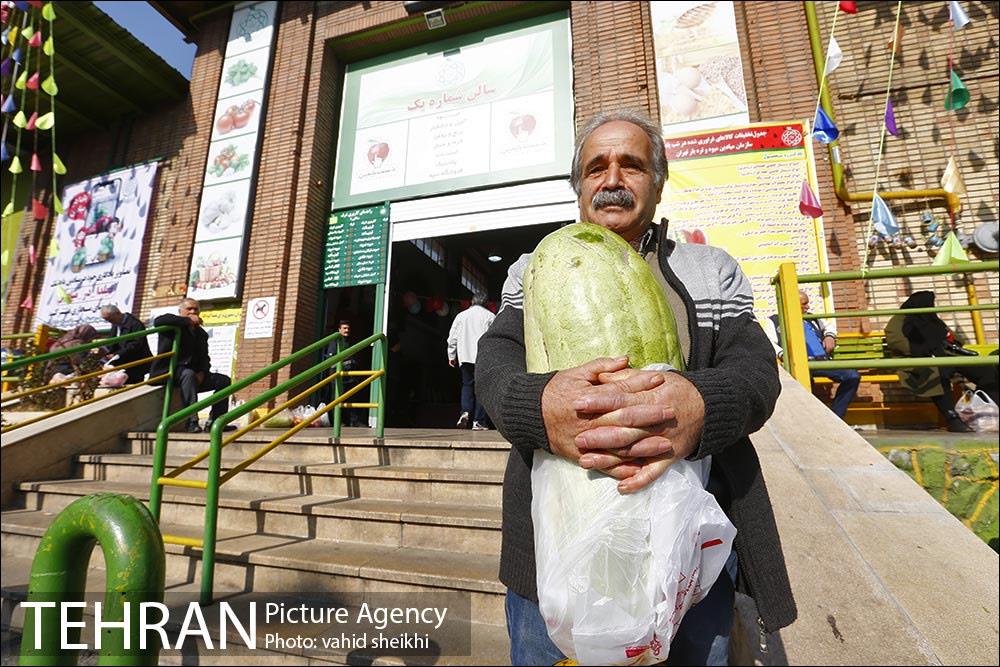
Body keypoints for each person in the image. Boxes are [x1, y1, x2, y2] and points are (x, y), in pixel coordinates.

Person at [476, 109, 796, 666]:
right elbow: (496, 361)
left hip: (688, 556)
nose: (613, 180)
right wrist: (540, 405)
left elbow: (756, 370)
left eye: (632, 165)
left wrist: (699, 406)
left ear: (658, 182)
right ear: (579, 186)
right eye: (596, 168)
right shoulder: (532, 268)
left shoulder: (709, 269)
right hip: (554, 551)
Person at [885, 290, 999, 432]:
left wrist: (947, 337)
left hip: (946, 357)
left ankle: (989, 406)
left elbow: (958, 340)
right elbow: (896, 342)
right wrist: (928, 348)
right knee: (937, 373)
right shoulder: (899, 320)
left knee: (984, 369)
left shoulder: (931, 319)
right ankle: (952, 418)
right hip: (918, 361)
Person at [766, 290, 860, 420]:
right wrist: (783, 355)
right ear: (792, 303)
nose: (808, 307)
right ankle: (808, 420)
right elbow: (770, 342)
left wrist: (829, 336)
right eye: (804, 304)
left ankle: (836, 418)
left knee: (852, 376)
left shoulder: (812, 317)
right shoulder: (774, 321)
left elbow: (830, 327)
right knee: (803, 384)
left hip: (821, 361)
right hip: (797, 364)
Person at [150, 298, 233, 433]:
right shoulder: (172, 326)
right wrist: (188, 321)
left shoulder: (201, 333)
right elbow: (159, 320)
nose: (193, 311)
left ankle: (216, 422)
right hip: (170, 371)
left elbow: (204, 357)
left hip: (193, 374)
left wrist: (202, 372)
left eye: (196, 309)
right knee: (187, 374)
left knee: (223, 380)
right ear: (181, 311)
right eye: (189, 309)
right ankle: (191, 422)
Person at [447, 293, 495, 430]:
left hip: (465, 357)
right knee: (481, 389)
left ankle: (465, 412)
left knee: (467, 385)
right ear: (486, 303)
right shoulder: (490, 317)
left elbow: (452, 338)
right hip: (482, 358)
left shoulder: (461, 316)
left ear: (471, 302)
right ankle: (478, 421)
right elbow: (494, 339)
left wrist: (451, 356)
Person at [325, 320, 365, 427]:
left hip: (350, 375)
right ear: (339, 329)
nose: (347, 330)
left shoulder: (350, 342)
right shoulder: (335, 342)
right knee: (336, 398)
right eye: (344, 328)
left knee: (351, 397)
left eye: (348, 328)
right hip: (337, 375)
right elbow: (332, 359)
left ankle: (353, 421)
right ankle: (336, 422)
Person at [99, 305, 152, 384]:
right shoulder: (115, 324)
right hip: (123, 364)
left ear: (118, 313)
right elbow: (113, 341)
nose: (110, 322)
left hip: (136, 364)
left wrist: (117, 355)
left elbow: (136, 344)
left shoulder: (135, 324)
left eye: (110, 319)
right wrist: (106, 350)